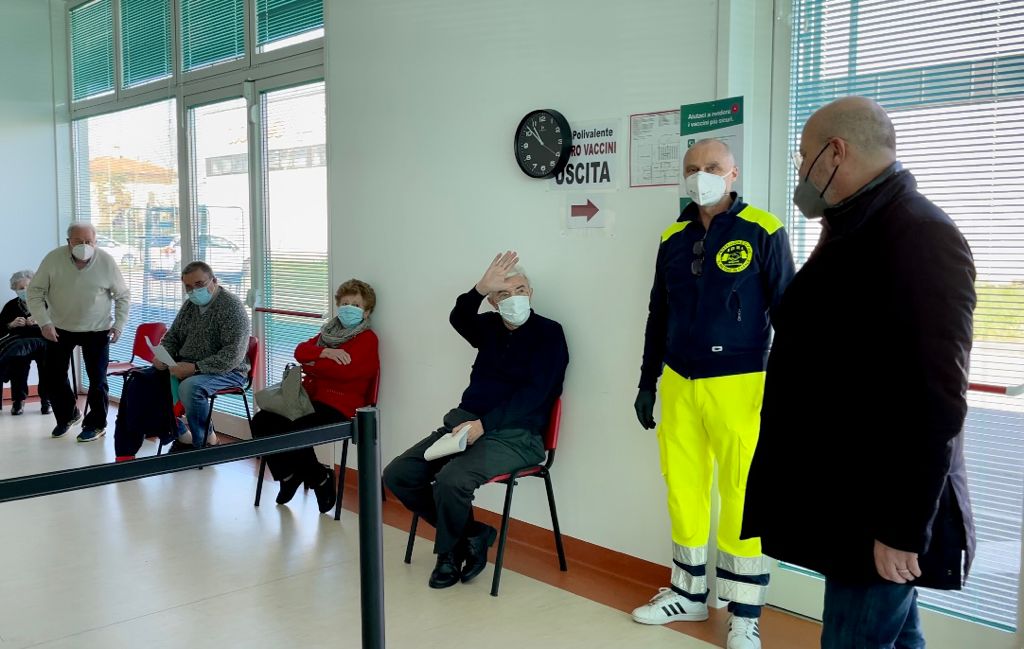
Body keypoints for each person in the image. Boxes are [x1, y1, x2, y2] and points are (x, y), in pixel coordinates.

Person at [741, 96, 977, 649]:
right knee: (897, 638)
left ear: (835, 152)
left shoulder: (920, 236)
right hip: (845, 498)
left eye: (803, 156)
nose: (801, 170)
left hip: (875, 513)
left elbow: (936, 400)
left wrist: (901, 529)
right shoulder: (856, 226)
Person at [631, 139, 795, 649]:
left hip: (741, 383)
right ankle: (688, 593)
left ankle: (744, 612)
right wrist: (647, 381)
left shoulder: (764, 229)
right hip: (680, 382)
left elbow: (789, 316)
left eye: (712, 167)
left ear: (732, 174)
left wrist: (788, 391)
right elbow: (658, 313)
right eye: (692, 168)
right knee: (684, 489)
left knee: (743, 494)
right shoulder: (672, 236)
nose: (700, 175)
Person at [383, 252, 568, 589]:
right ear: (494, 303)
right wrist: (480, 288)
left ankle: (448, 555)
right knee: (399, 474)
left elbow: (535, 395)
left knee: (452, 479)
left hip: (518, 435)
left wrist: (484, 425)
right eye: (503, 294)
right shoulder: (488, 327)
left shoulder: (549, 334)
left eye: (520, 290)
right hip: (464, 425)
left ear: (531, 292)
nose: (514, 298)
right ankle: (472, 534)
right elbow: (459, 317)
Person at [250, 279, 380, 514]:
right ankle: (292, 475)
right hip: (310, 400)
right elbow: (300, 351)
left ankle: (319, 479)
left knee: (293, 427)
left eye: (356, 305)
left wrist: (314, 364)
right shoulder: (328, 334)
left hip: (341, 406)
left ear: (367, 311)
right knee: (262, 421)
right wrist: (326, 352)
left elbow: (345, 372)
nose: (349, 308)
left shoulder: (367, 339)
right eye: (345, 303)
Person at [27, 222, 130, 442]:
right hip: (59, 327)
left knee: (97, 379)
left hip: (97, 328)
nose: (84, 246)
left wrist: (119, 324)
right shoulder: (53, 259)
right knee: (53, 376)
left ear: (95, 241)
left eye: (88, 241)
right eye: (78, 241)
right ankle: (68, 415)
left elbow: (122, 296)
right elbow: (34, 292)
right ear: (68, 242)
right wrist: (44, 322)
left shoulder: (106, 261)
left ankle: (96, 424)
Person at [153, 261, 251, 450]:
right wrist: (162, 355)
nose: (194, 291)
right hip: (187, 365)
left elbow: (233, 355)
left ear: (214, 281)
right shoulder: (190, 305)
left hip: (228, 371)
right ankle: (182, 436)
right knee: (145, 381)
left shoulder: (231, 307)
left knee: (190, 387)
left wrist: (195, 368)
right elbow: (173, 336)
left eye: (199, 284)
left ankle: (205, 442)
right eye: (188, 287)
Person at [0, 270, 50, 415]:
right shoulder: (10, 306)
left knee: (47, 365)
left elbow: (59, 323)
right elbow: (0, 330)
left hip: (43, 341)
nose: (25, 290)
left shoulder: (46, 303)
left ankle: (46, 400)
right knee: (18, 364)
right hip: (20, 344)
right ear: (15, 290)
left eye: (28, 286)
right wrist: (10, 325)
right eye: (21, 288)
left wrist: (41, 321)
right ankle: (18, 400)